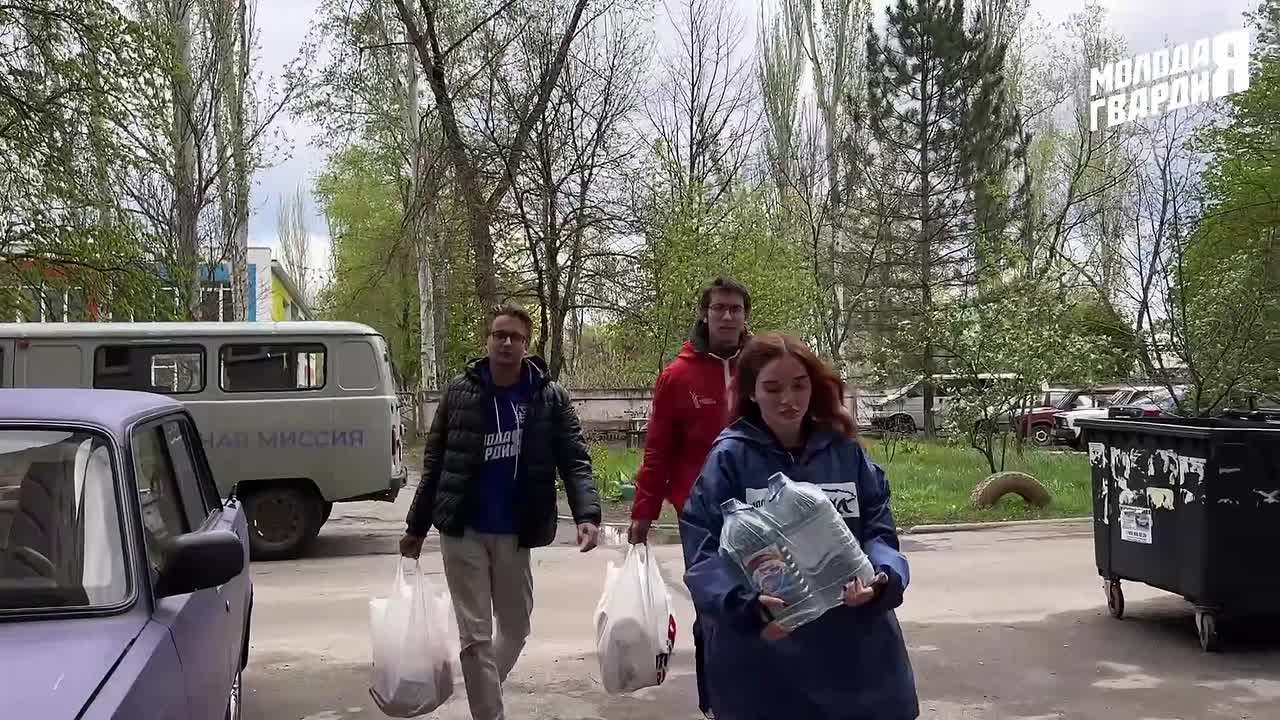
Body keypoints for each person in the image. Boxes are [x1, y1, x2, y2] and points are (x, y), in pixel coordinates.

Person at [679, 333, 919, 720]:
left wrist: (883, 579)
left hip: (855, 655)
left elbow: (878, 530)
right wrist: (743, 605)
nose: (788, 400)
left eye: (799, 385)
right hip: (768, 662)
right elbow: (703, 552)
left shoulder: (844, 452)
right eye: (773, 388)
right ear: (752, 392)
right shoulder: (729, 460)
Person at [399, 304, 602, 720]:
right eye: (499, 335)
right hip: (463, 529)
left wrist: (587, 514)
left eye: (515, 337)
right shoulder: (460, 392)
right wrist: (416, 527)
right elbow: (435, 463)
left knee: (515, 627)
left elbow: (575, 459)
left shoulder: (549, 397)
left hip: (516, 530)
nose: (506, 343)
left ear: (527, 345)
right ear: (488, 340)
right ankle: (489, 713)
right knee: (475, 634)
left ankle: (483, 685)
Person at [628, 276, 751, 719]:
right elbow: (658, 450)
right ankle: (715, 703)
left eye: (735, 309)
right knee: (713, 610)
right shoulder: (677, 377)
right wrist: (644, 512)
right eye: (719, 308)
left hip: (762, 511)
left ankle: (759, 698)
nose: (727, 316)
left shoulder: (761, 368)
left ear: (745, 316)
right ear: (704, 313)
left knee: (766, 607)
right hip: (701, 518)